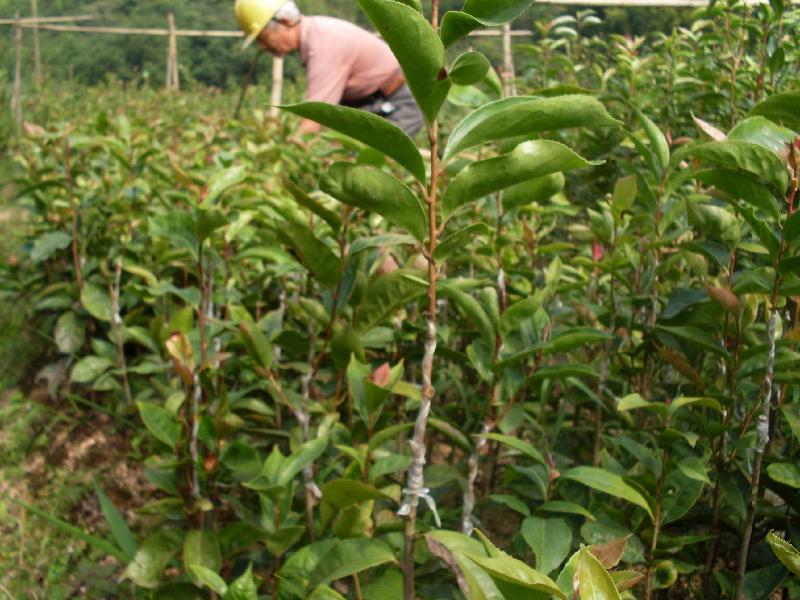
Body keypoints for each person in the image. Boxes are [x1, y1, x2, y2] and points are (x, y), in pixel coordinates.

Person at [234, 0, 425, 137]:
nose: (263, 47)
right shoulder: (315, 33)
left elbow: (315, 119)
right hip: (372, 102)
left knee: (375, 168)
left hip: (397, 103)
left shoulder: (323, 45)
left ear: (285, 22)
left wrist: (285, 154)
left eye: (263, 37)